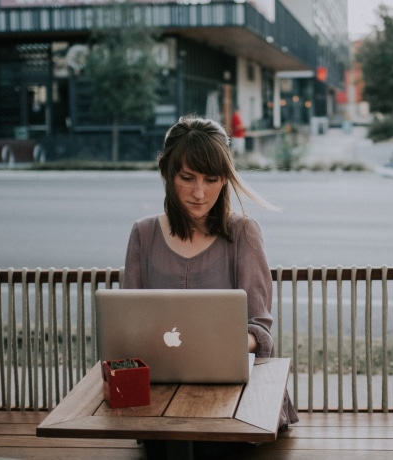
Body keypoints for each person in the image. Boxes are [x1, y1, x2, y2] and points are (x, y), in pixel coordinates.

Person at [122, 115, 298, 458]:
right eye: (187, 178)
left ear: (225, 180)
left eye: (211, 179)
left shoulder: (243, 233)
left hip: (234, 398)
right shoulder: (143, 234)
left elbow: (260, 331)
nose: (199, 193)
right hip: (160, 398)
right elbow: (128, 325)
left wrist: (215, 343)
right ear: (167, 173)